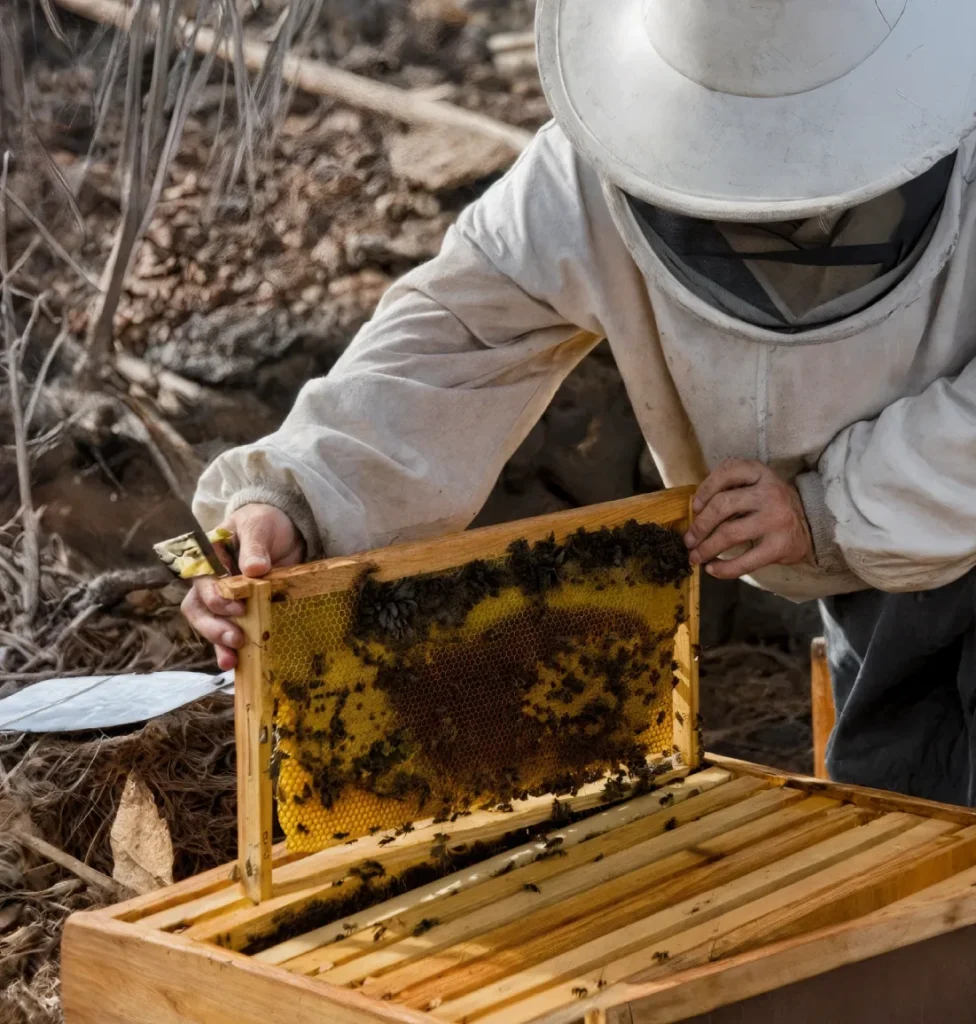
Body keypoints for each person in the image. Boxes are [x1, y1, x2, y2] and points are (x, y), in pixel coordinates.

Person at [183, 0, 976, 805]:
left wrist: (832, 505)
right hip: (875, 584)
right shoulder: (587, 176)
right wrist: (294, 493)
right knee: (909, 823)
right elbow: (457, 334)